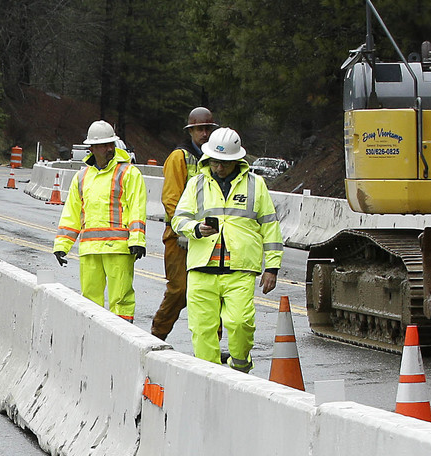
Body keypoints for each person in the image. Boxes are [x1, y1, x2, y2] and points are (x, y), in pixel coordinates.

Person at [169, 127, 281, 371]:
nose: (220, 168)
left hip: (239, 268)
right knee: (201, 329)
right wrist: (196, 229)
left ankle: (240, 366)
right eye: (216, 162)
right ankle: (208, 375)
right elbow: (178, 220)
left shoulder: (256, 185)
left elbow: (270, 227)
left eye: (226, 164)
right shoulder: (196, 184)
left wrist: (272, 267)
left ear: (237, 161)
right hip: (202, 268)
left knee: (240, 323)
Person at [51, 120, 148, 320]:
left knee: (121, 301)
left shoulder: (128, 172)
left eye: (111, 144)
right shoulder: (82, 176)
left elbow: (136, 208)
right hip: (90, 250)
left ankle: (121, 344)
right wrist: (62, 245)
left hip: (119, 249)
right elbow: (72, 213)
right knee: (89, 303)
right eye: (104, 145)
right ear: (92, 148)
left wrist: (137, 241)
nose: (109, 148)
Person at [151, 107, 217, 339]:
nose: (205, 134)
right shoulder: (179, 157)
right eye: (200, 129)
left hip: (208, 237)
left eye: (208, 129)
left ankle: (212, 344)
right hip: (179, 238)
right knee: (179, 290)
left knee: (210, 292)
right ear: (191, 131)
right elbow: (171, 199)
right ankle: (157, 335)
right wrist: (184, 229)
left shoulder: (216, 160)